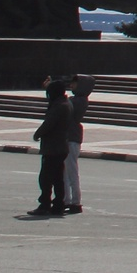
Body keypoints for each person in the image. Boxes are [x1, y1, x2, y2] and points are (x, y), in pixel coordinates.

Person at [31, 82, 73, 216]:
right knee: (57, 178)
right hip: (61, 146)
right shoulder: (66, 104)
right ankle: (58, 204)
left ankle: (45, 204)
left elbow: (49, 123)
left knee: (46, 177)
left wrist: (37, 134)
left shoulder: (59, 106)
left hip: (53, 147)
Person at [62, 75, 93, 213]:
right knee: (65, 171)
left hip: (72, 138)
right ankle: (66, 199)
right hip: (68, 137)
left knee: (71, 171)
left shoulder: (80, 101)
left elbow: (65, 106)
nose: (71, 86)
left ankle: (75, 201)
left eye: (74, 84)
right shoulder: (76, 100)